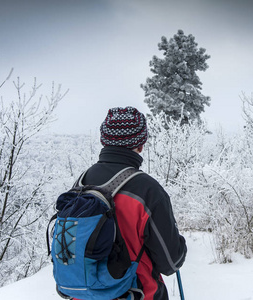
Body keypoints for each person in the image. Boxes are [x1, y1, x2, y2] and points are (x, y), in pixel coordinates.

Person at [77, 106, 187, 300]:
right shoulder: (147, 190)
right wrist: (180, 244)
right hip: (137, 293)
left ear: (104, 141)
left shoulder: (81, 183)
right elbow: (170, 263)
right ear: (140, 144)